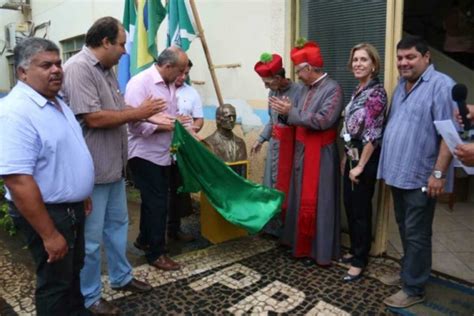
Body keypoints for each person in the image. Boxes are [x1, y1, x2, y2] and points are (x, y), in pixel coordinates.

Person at [62, 17, 162, 315]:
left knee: (118, 227)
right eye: (121, 44)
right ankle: (90, 296)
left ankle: (121, 277)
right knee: (91, 242)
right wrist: (140, 113)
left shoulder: (107, 70)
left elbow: (117, 111)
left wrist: (146, 115)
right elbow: (93, 117)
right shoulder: (79, 69)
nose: (124, 51)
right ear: (105, 42)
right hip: (91, 173)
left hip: (114, 169)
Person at [0, 37, 95, 315]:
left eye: (58, 63)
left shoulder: (55, 101)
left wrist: (82, 191)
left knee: (73, 272)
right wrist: (49, 234)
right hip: (49, 213)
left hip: (71, 208)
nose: (56, 70)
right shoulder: (15, 112)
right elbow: (17, 180)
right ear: (22, 72)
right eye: (46, 65)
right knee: (55, 282)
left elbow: (64, 153)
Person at [377, 35, 455, 308]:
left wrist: (438, 174)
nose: (403, 63)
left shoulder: (441, 86)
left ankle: (414, 288)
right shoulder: (401, 86)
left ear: (426, 57)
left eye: (410, 57)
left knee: (417, 233)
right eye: (400, 58)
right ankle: (408, 274)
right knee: (405, 228)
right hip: (399, 173)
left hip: (422, 175)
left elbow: (450, 134)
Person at [270, 40, 343, 266]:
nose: (297, 76)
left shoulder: (333, 89)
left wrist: (290, 111)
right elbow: (293, 115)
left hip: (321, 155)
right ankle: (296, 243)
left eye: (299, 70)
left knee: (319, 202)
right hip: (301, 151)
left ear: (309, 69)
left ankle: (316, 251)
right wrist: (282, 113)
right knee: (298, 198)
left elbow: (323, 120)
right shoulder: (303, 89)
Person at [125, 46, 189, 271]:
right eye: (180, 71)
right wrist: (166, 125)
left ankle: (144, 240)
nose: (183, 76)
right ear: (168, 66)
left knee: (154, 202)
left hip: (163, 153)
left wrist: (175, 121)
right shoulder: (140, 83)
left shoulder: (170, 84)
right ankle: (156, 253)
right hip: (143, 154)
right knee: (158, 204)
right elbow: (134, 125)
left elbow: (165, 117)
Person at [339, 43, 387, 282]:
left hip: (365, 156)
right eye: (355, 59)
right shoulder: (358, 89)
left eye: (363, 60)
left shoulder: (377, 93)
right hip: (351, 153)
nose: (358, 64)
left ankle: (360, 260)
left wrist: (359, 166)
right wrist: (345, 158)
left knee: (360, 210)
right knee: (349, 204)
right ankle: (355, 249)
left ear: (373, 65)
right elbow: (349, 127)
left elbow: (372, 134)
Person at [251, 53, 302, 237]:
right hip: (274, 147)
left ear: (279, 78)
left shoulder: (299, 91)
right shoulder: (272, 93)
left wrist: (290, 113)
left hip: (290, 148)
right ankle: (271, 228)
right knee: (270, 187)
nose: (266, 87)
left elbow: (301, 119)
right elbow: (271, 121)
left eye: (268, 83)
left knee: (287, 189)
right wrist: (260, 139)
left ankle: (286, 231)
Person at [168, 59, 203, 242]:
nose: (182, 77)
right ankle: (155, 232)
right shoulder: (162, 89)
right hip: (162, 150)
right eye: (180, 72)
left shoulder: (192, 93)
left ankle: (175, 228)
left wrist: (192, 130)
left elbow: (199, 119)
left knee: (179, 191)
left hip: (182, 151)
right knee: (162, 193)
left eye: (186, 73)